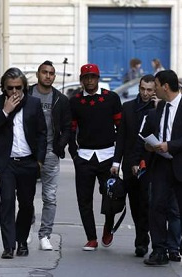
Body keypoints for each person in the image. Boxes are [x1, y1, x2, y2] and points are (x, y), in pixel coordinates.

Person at [140, 69, 182, 268]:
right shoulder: (160, 107)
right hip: (161, 164)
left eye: (157, 86)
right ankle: (159, 250)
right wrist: (150, 145)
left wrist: (171, 145)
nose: (154, 90)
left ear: (165, 86)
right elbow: (154, 132)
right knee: (156, 206)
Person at [0, 67, 47, 259]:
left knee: (27, 204)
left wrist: (39, 161)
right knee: (7, 202)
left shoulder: (34, 104)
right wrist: (5, 111)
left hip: (28, 162)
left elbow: (42, 133)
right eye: (10, 88)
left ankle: (22, 241)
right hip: (6, 163)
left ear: (24, 87)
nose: (14, 92)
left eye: (18, 88)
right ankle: (8, 246)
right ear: (4, 88)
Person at [68, 63, 122, 251]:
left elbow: (120, 127)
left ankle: (108, 227)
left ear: (98, 79)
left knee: (111, 197)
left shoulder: (111, 98)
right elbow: (71, 129)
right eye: (86, 77)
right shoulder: (74, 101)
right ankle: (91, 238)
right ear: (81, 80)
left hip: (107, 155)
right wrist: (74, 154)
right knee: (84, 199)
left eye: (93, 77)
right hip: (84, 156)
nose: (90, 81)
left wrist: (117, 157)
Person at [110, 74, 164, 258]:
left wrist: (157, 109)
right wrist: (116, 162)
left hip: (150, 164)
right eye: (143, 89)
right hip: (129, 165)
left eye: (150, 90)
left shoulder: (159, 109)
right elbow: (122, 137)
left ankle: (145, 240)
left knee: (148, 203)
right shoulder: (128, 107)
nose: (146, 93)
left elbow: (161, 135)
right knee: (135, 204)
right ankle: (141, 238)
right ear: (139, 88)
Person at [28, 60, 71, 251]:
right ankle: (27, 230)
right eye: (44, 72)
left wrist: (58, 147)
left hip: (51, 153)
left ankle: (45, 235)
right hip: (28, 153)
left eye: (51, 73)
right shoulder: (27, 94)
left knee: (50, 197)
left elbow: (68, 127)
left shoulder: (60, 99)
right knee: (26, 195)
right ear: (38, 74)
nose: (48, 76)